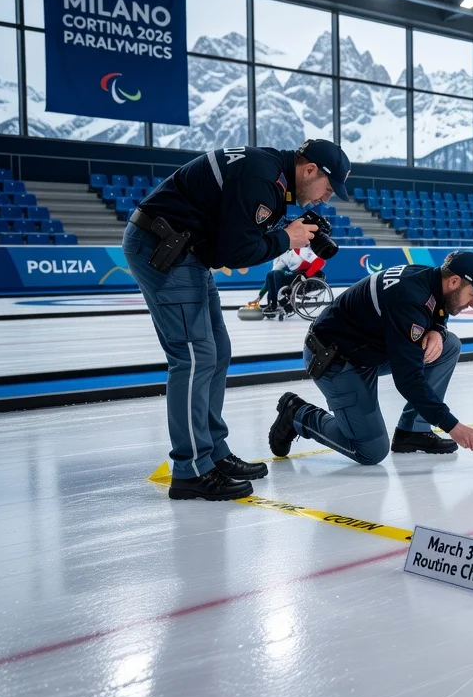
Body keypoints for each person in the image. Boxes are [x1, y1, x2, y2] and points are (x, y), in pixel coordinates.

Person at [124, 139, 345, 500]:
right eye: (328, 188)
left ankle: (213, 452)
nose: (325, 199)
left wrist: (278, 233)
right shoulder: (263, 178)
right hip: (163, 246)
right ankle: (191, 469)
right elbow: (234, 252)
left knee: (217, 350)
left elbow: (226, 245)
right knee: (194, 356)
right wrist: (285, 238)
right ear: (309, 171)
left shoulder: (270, 172)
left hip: (184, 250)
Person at [268, 251, 473, 465]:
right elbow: (408, 379)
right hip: (334, 359)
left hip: (364, 349)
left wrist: (438, 330)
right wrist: (452, 425)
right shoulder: (409, 297)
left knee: (448, 345)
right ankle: (297, 413)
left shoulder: (428, 278)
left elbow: (438, 309)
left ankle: (413, 431)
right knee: (370, 451)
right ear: (454, 282)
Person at [249, 245, 323, 318]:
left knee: (277, 274)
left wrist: (306, 275)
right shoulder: (283, 255)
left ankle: (282, 300)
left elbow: (320, 262)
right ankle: (273, 305)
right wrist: (259, 297)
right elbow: (270, 277)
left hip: (307, 275)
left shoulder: (302, 250)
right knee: (271, 274)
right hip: (295, 275)